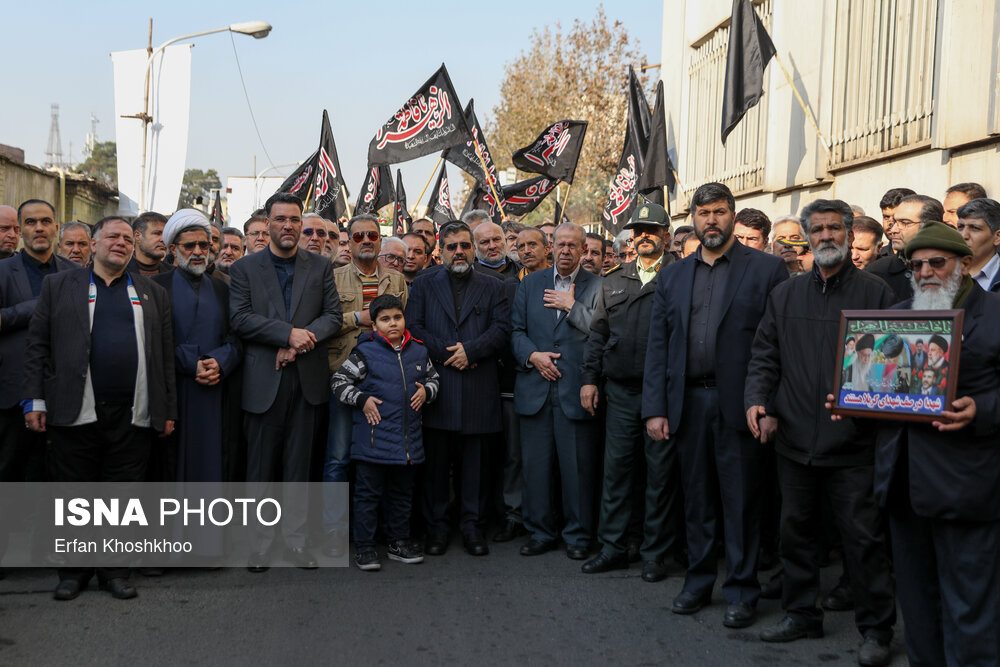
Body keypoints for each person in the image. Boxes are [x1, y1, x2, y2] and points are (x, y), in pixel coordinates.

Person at [744, 200, 896, 665]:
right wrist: (759, 402)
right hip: (792, 439)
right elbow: (765, 354)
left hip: (854, 443)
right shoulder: (786, 295)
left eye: (834, 228)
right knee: (796, 534)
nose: (826, 236)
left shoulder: (877, 293)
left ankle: (876, 629)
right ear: (808, 237)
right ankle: (801, 614)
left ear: (850, 235)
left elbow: (892, 368)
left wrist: (862, 408)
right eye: (818, 229)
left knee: (863, 541)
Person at [642, 182, 787, 629]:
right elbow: (659, 345)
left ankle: (742, 591)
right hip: (688, 402)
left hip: (741, 405)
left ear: (732, 215)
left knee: (741, 501)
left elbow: (779, 346)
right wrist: (656, 408)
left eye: (720, 212)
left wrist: (768, 404)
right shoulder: (673, 275)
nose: (711, 220)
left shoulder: (766, 271)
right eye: (703, 213)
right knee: (697, 500)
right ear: (694, 217)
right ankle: (697, 582)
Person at [856, 221, 1000, 666]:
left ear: (966, 264)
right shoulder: (896, 317)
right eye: (917, 266)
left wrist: (983, 409)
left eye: (937, 263)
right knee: (917, 609)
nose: (926, 273)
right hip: (904, 487)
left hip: (967, 488)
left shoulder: (995, 314)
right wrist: (851, 400)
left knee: (970, 609)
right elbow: (877, 384)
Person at [22, 215, 177, 601]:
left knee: (122, 498)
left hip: (132, 412)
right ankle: (73, 573)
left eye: (127, 238)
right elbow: (37, 346)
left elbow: (163, 357)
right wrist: (35, 400)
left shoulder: (153, 292)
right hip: (75, 410)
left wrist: (167, 409)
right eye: (112, 236)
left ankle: (114, 571)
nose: (120, 243)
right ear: (93, 244)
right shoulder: (58, 286)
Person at [229, 192, 343, 571]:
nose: (289, 226)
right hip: (264, 382)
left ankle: (296, 542)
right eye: (281, 220)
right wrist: (286, 335)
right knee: (260, 469)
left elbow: (332, 317)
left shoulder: (320, 266)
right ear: (269, 223)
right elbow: (240, 319)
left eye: (294, 220)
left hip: (307, 381)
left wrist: (300, 340)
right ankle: (259, 546)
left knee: (299, 467)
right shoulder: (245, 269)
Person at [580, 202, 683, 582]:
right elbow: (598, 335)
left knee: (660, 475)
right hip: (621, 391)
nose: (644, 237)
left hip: (665, 394)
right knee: (617, 472)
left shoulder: (680, 276)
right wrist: (589, 378)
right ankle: (613, 548)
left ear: (666, 237)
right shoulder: (614, 280)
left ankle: (655, 553)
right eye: (638, 231)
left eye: (652, 231)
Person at [406, 221, 510, 556]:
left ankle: (472, 528)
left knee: (476, 469)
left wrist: (473, 351)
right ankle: (437, 529)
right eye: (452, 247)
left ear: (473, 247)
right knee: (436, 468)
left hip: (479, 386)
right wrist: (451, 353)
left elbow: (502, 329)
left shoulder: (494, 286)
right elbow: (414, 327)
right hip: (438, 388)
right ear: (441, 249)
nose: (459, 252)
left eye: (465, 245)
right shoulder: (423, 285)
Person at [511, 222, 602, 560]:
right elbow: (515, 331)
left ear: (583, 250)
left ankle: (578, 537)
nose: (566, 251)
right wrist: (532, 356)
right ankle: (540, 532)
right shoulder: (530, 283)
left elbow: (603, 332)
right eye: (560, 245)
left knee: (577, 468)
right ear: (551, 247)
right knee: (536, 468)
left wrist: (571, 306)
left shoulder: (597, 285)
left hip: (577, 391)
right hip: (535, 388)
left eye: (573, 246)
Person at [331, 294, 440, 571]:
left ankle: (398, 541)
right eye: (385, 319)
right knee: (367, 494)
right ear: (374, 325)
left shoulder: (418, 350)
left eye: (397, 317)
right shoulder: (365, 352)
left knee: (402, 494)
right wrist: (362, 399)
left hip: (408, 443)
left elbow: (433, 379)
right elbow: (339, 381)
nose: (392, 323)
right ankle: (365, 547)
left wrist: (427, 391)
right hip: (374, 441)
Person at [323, 214, 407, 552]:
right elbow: (324, 323)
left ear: (380, 238)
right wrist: (356, 318)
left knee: (383, 459)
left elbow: (403, 326)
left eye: (372, 235)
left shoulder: (397, 280)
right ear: (350, 240)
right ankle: (332, 534)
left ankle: (382, 532)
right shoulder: (332, 277)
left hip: (385, 381)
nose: (366, 240)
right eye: (359, 236)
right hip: (344, 377)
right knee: (338, 459)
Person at [0, 199, 77, 562]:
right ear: (21, 229)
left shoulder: (73, 272)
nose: (39, 228)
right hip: (12, 390)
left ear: (56, 227)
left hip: (63, 389)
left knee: (55, 475)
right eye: (30, 222)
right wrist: (36, 307)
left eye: (46, 221)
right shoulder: (4, 271)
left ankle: (50, 551)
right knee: (9, 472)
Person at [152, 210, 241, 484]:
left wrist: (221, 362)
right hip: (173, 390)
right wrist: (191, 363)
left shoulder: (222, 289)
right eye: (189, 246)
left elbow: (237, 336)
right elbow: (151, 340)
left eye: (204, 245)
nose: (199, 251)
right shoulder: (155, 288)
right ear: (172, 249)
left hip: (216, 389)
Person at [867, 194, 944, 301]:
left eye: (904, 223)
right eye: (895, 222)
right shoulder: (875, 274)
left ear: (930, 226)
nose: (894, 230)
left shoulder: (954, 270)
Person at [955, 197, 1000, 291]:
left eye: (975, 228)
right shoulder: (940, 271)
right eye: (960, 227)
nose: (964, 235)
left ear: (997, 237)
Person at [127, 211, 172, 277]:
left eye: (165, 235)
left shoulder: (174, 274)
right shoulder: (119, 272)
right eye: (157, 233)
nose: (163, 239)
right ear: (137, 236)